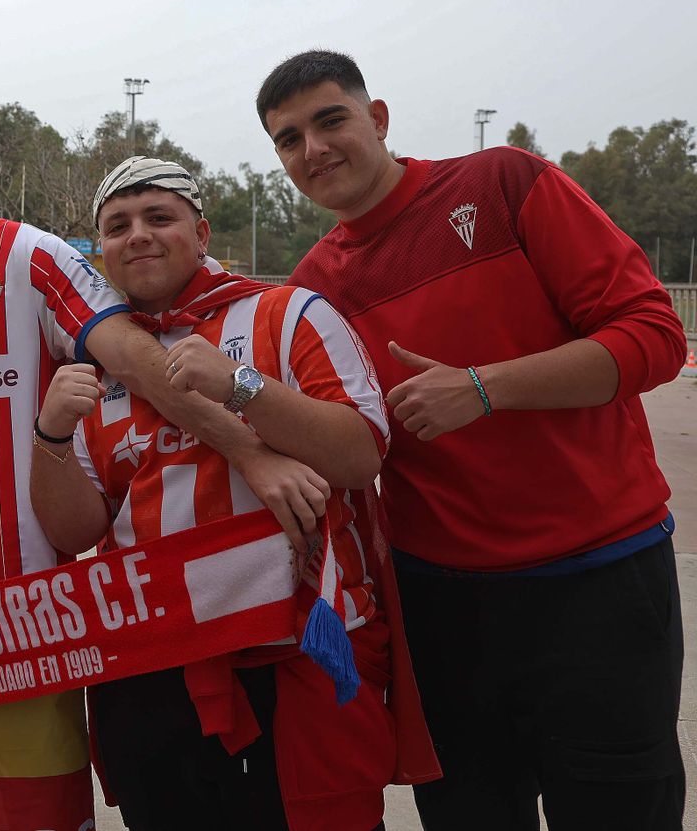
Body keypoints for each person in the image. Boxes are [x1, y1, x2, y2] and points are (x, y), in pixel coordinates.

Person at [0, 93, 338, 831]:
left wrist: (248, 451)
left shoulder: (34, 256)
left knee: (31, 813)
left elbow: (139, 361)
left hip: (35, 613)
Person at [258, 50, 687, 831]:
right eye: (289, 140)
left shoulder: (502, 182)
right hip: (444, 607)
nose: (313, 150)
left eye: (330, 121)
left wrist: (487, 387)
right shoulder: (311, 289)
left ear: (378, 118)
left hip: (598, 580)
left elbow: (655, 336)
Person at [31, 157, 400, 830]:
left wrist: (240, 385)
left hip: (291, 663)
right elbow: (75, 531)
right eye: (117, 225)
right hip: (151, 673)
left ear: (201, 233)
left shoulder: (287, 314)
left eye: (159, 217)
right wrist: (51, 435)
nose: (137, 234)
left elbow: (359, 451)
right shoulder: (97, 366)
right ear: (101, 252)